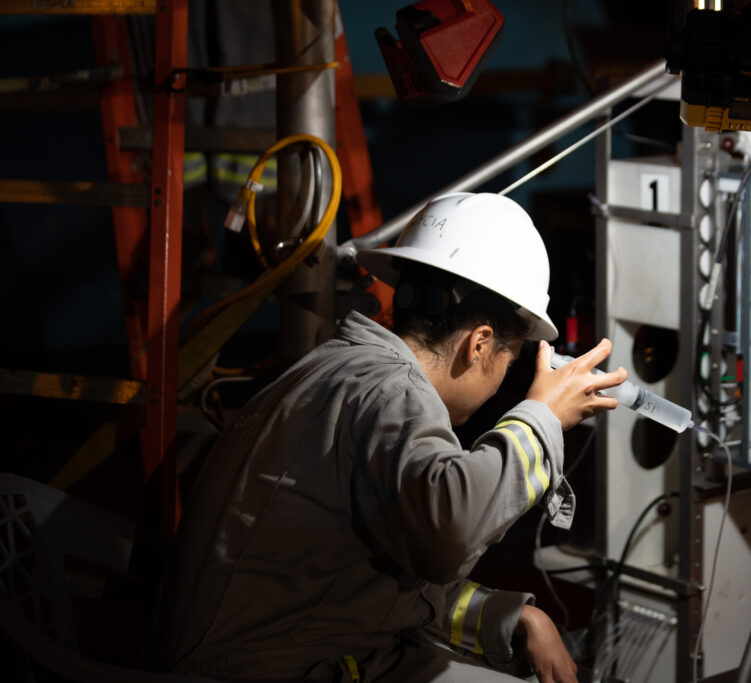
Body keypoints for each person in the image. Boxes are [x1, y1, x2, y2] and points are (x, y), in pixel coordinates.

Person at [158, 192, 628, 683]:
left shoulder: (343, 370)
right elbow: (452, 530)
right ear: (480, 343)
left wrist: (509, 616)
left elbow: (392, 576)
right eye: (507, 364)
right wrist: (543, 418)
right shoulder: (391, 393)